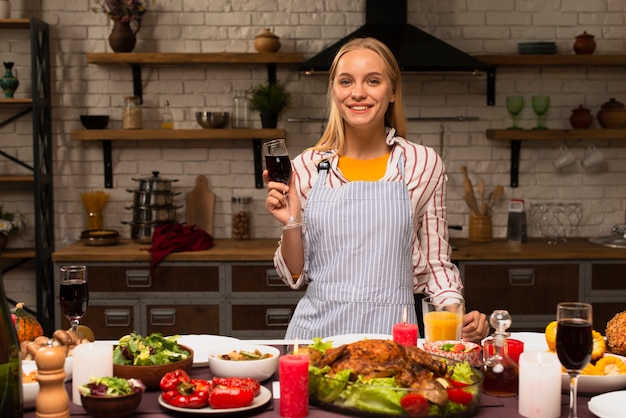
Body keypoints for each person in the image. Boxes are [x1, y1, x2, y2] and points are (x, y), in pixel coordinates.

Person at [264, 37, 489, 343]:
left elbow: (437, 264)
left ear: (393, 91)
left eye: (373, 80)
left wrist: (456, 316)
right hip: (315, 339)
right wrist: (291, 220)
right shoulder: (306, 167)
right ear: (333, 90)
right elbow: (294, 275)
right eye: (346, 81)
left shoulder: (422, 164)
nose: (358, 92)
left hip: (394, 339)